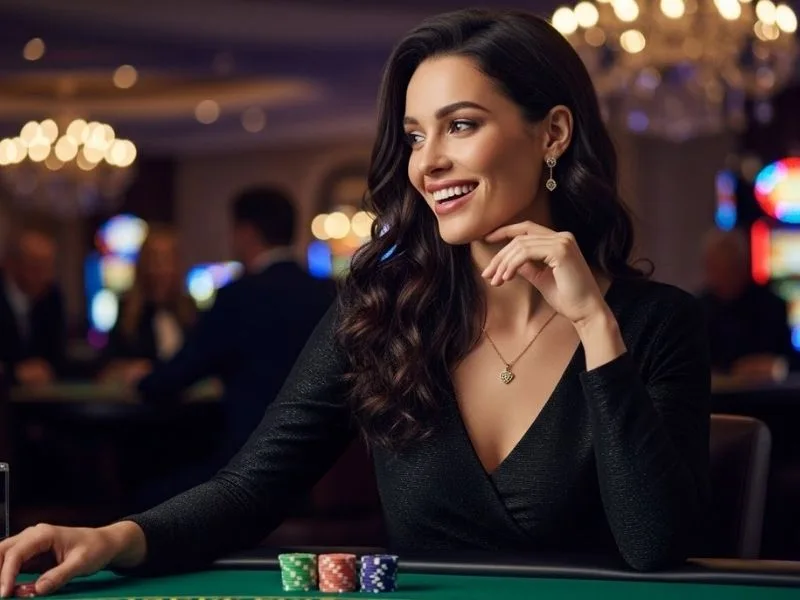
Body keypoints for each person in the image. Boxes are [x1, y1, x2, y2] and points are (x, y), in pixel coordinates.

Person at [0, 9, 710, 596]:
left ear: (552, 133)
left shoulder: (656, 324)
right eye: (415, 135)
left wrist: (594, 326)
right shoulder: (382, 313)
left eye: (461, 125)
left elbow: (654, 546)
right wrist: (114, 538)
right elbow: (252, 489)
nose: (427, 162)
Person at [129, 186, 337, 502]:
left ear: (245, 232)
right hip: (321, 472)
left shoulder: (238, 296)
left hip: (248, 471)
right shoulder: (328, 294)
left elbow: (180, 374)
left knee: (143, 498)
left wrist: (141, 381)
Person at [98, 225, 196, 385]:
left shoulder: (191, 313)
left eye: (166, 261)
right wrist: (128, 369)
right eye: (154, 261)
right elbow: (105, 369)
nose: (160, 270)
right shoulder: (127, 314)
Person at [698, 227, 794, 382]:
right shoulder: (696, 311)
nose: (725, 276)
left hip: (767, 391)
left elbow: (788, 362)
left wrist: (775, 365)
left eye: (731, 267)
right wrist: (731, 370)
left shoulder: (772, 306)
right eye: (719, 268)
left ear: (744, 265)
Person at [0, 226, 66, 386]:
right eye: (37, 266)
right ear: (12, 264)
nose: (46, 275)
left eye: (49, 266)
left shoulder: (51, 296)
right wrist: (14, 373)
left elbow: (57, 355)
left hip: (38, 395)